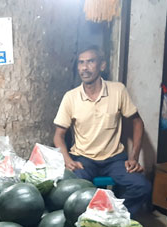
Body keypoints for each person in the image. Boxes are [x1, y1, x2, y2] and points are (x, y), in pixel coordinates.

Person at [53, 46, 151, 217]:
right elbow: (58, 135)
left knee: (142, 186)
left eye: (90, 61)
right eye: (81, 63)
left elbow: (137, 122)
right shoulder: (71, 97)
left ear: (102, 66)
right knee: (70, 190)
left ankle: (116, 219)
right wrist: (67, 160)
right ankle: (91, 223)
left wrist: (133, 158)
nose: (85, 67)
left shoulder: (117, 90)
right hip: (83, 159)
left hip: (114, 159)